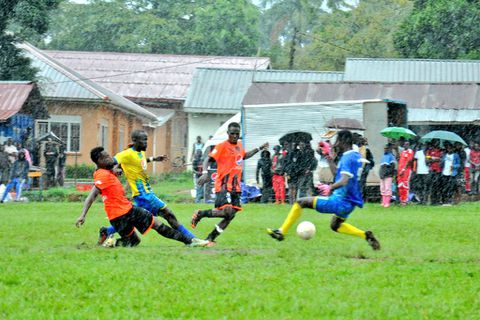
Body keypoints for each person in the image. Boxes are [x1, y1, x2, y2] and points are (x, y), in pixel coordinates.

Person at [266, 130, 380, 251]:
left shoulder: (347, 158)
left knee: (300, 202)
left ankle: (281, 232)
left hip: (339, 201)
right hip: (349, 203)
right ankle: (366, 235)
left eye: (338, 141)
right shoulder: (354, 155)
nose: (335, 144)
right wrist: (328, 157)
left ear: (344, 141)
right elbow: (337, 173)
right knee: (335, 225)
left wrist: (330, 187)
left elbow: (344, 180)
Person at [75, 147, 208, 247]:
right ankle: (190, 241)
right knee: (146, 233)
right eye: (107, 157)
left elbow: (133, 162)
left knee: (146, 233)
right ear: (100, 161)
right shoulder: (102, 175)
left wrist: (152, 159)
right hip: (121, 215)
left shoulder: (107, 170)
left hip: (124, 213)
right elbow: (91, 196)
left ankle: (189, 241)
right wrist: (82, 215)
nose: (111, 159)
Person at [99, 129, 196, 242]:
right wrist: (115, 169)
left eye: (146, 139)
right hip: (144, 195)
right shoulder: (127, 153)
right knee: (168, 214)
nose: (146, 142)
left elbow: (140, 161)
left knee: (133, 219)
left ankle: (107, 231)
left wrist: (154, 159)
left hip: (144, 194)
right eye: (143, 140)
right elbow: (112, 161)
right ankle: (192, 239)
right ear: (135, 140)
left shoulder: (140, 152)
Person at [191, 122, 268, 246]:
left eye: (237, 134)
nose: (234, 136)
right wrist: (205, 172)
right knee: (227, 212)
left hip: (235, 187)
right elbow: (208, 159)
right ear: (228, 133)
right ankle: (201, 214)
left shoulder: (239, 145)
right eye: (232, 133)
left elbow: (244, 155)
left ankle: (210, 238)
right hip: (224, 185)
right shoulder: (222, 146)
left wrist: (259, 148)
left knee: (230, 215)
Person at [397, 141, 414, 205]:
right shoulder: (403, 152)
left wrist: (403, 169)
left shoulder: (410, 151)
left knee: (405, 185)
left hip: (406, 171)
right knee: (400, 185)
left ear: (409, 145)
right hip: (400, 170)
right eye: (404, 144)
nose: (405, 145)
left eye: (406, 144)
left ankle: (405, 200)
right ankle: (402, 200)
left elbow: (409, 160)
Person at [426, 139, 443, 204]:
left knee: (438, 186)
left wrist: (434, 159)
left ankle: (438, 200)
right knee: (432, 186)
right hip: (431, 170)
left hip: (438, 170)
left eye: (437, 142)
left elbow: (441, 159)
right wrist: (434, 159)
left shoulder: (441, 151)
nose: (436, 144)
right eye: (435, 142)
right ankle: (432, 200)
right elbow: (427, 159)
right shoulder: (429, 151)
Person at [379, 143, 396, 207]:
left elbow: (392, 167)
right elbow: (381, 166)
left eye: (386, 149)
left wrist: (387, 173)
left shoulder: (391, 156)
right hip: (382, 175)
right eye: (384, 149)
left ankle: (387, 202)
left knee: (387, 188)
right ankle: (383, 202)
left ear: (389, 149)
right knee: (382, 188)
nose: (385, 150)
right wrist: (381, 173)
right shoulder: (383, 156)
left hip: (388, 175)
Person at [359, 137, 375, 201]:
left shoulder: (366, 148)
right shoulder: (360, 148)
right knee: (362, 182)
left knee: (362, 180)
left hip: (367, 164)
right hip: (363, 165)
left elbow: (367, 158)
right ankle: (363, 197)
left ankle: (363, 197)